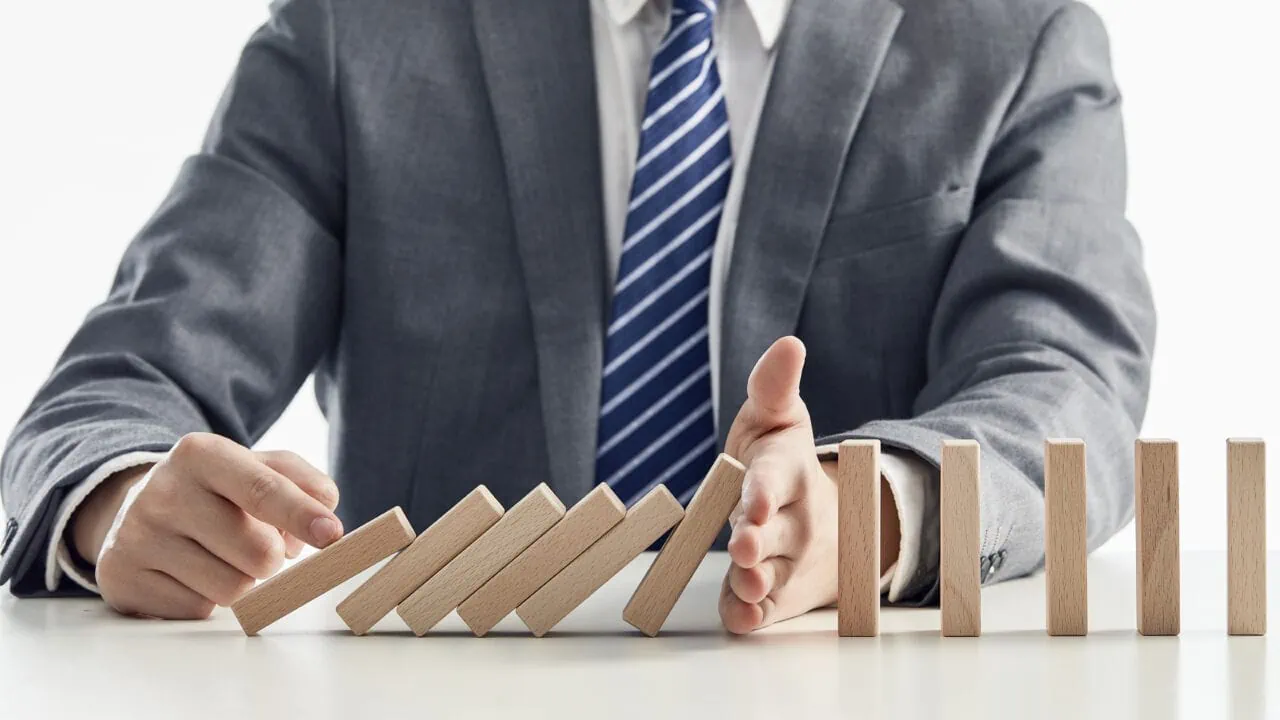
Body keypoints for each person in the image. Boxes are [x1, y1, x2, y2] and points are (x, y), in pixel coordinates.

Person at [0, 0, 1154, 633]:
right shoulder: (357, 31)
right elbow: (114, 393)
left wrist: (883, 512)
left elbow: (1066, 388)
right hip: (442, 689)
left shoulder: (1014, 35)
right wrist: (117, 505)